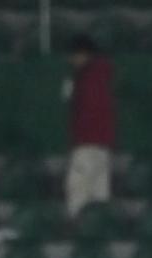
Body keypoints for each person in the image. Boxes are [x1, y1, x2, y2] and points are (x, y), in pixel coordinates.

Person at [64, 34, 114, 218]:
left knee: (78, 193)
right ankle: (100, 229)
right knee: (100, 196)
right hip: (102, 146)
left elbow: (85, 110)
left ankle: (77, 230)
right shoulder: (103, 75)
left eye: (73, 55)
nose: (70, 60)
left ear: (83, 54)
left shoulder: (86, 78)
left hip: (86, 144)